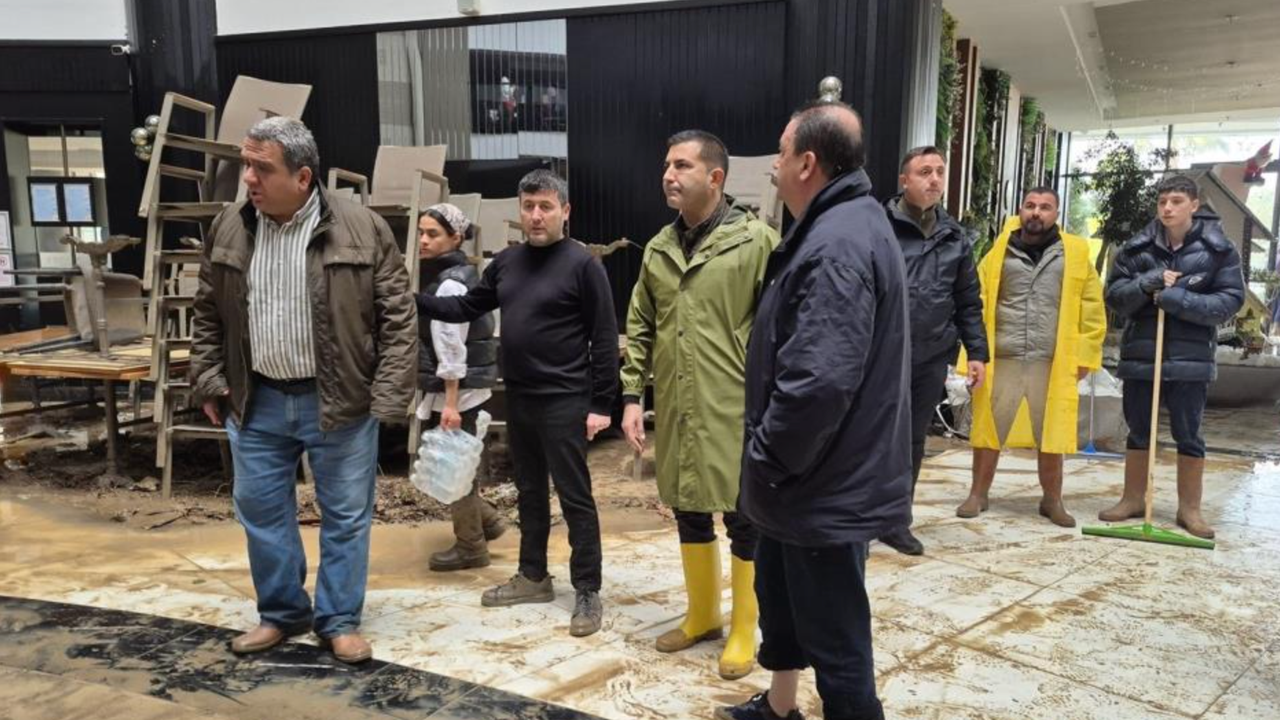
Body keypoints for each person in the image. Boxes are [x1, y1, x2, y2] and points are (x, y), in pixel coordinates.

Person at [190, 116, 417, 664]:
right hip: (256, 400)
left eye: (261, 168)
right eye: (246, 165)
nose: (248, 178)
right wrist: (210, 378)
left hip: (340, 401)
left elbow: (398, 318)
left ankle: (338, 620)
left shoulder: (363, 228)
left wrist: (388, 398)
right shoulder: (229, 226)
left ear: (303, 177)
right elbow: (207, 311)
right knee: (262, 513)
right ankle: (282, 612)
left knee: (346, 517)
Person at [717, 101, 910, 720]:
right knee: (784, 604)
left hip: (820, 482)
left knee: (836, 640)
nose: (773, 165)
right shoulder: (836, 224)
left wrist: (767, 459)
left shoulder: (837, 244)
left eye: (780, 152)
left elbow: (819, 383)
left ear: (807, 162)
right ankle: (780, 708)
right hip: (803, 482)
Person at [416, 170, 618, 637]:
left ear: (565, 211)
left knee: (574, 496)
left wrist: (601, 404)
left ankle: (587, 588)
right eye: (528, 206)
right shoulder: (506, 263)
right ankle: (533, 575)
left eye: (546, 206)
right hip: (520, 396)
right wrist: (415, 301)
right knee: (528, 491)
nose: (536, 215)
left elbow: (605, 338)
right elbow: (466, 307)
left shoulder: (583, 265)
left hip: (565, 398)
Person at [620, 130, 779, 679]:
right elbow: (641, 324)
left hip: (734, 405)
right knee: (687, 508)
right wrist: (632, 396)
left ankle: (744, 628)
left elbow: (779, 328)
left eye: (682, 165)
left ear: (715, 177)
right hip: (678, 403)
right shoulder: (659, 249)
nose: (669, 174)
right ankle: (704, 615)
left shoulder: (757, 243)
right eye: (667, 164)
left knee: (743, 516)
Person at [1101, 174, 1244, 539]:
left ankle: (1189, 509)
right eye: (1163, 201)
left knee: (1188, 434)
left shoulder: (1218, 250)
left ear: (1194, 205)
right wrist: (1148, 282)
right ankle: (1133, 499)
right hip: (1141, 356)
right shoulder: (1136, 249)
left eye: (1177, 201)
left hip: (1190, 360)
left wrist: (1177, 299)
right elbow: (1114, 297)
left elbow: (1229, 301)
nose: (1167, 208)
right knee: (1138, 430)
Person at [960, 187, 1106, 527]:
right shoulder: (999, 251)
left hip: (1051, 360)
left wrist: (1085, 355)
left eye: (1045, 207)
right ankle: (978, 493)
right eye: (1030, 206)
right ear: (1020, 210)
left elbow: (1092, 306)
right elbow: (977, 301)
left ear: (1057, 214)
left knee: (1052, 432)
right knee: (988, 428)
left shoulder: (1074, 254)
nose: (1036, 212)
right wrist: (974, 354)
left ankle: (1052, 500)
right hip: (1003, 356)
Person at [879, 146, 988, 555]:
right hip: (881, 355)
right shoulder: (879, 226)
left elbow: (968, 301)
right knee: (871, 438)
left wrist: (976, 353)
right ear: (904, 180)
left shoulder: (955, 237)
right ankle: (859, 520)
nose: (935, 179)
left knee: (912, 442)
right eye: (925, 171)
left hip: (930, 355)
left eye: (940, 171)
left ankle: (896, 521)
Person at [414, 203, 506, 571]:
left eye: (432, 234)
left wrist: (450, 404)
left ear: (455, 238)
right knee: (458, 469)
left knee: (455, 474)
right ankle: (489, 523)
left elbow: (451, 347)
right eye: (421, 232)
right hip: (464, 391)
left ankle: (471, 547)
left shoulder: (449, 283)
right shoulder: (458, 274)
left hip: (458, 394)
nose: (423, 240)